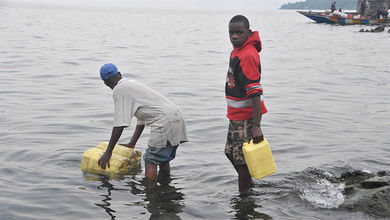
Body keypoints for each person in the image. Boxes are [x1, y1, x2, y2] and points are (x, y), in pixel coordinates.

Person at [97, 63, 188, 185]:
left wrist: (108, 152)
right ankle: (166, 185)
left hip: (164, 121)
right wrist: (132, 143)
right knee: (162, 158)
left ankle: (150, 194)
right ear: (119, 74)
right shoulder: (131, 83)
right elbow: (142, 119)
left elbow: (119, 124)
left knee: (151, 159)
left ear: (106, 83)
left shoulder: (119, 90)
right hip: (177, 116)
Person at [225, 15, 268, 195]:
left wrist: (256, 126)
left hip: (246, 117)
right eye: (231, 33)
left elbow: (255, 92)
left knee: (241, 160)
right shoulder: (237, 50)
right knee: (229, 153)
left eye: (239, 33)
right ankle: (250, 185)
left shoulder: (248, 54)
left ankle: (244, 200)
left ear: (248, 33)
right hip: (236, 116)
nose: (234, 36)